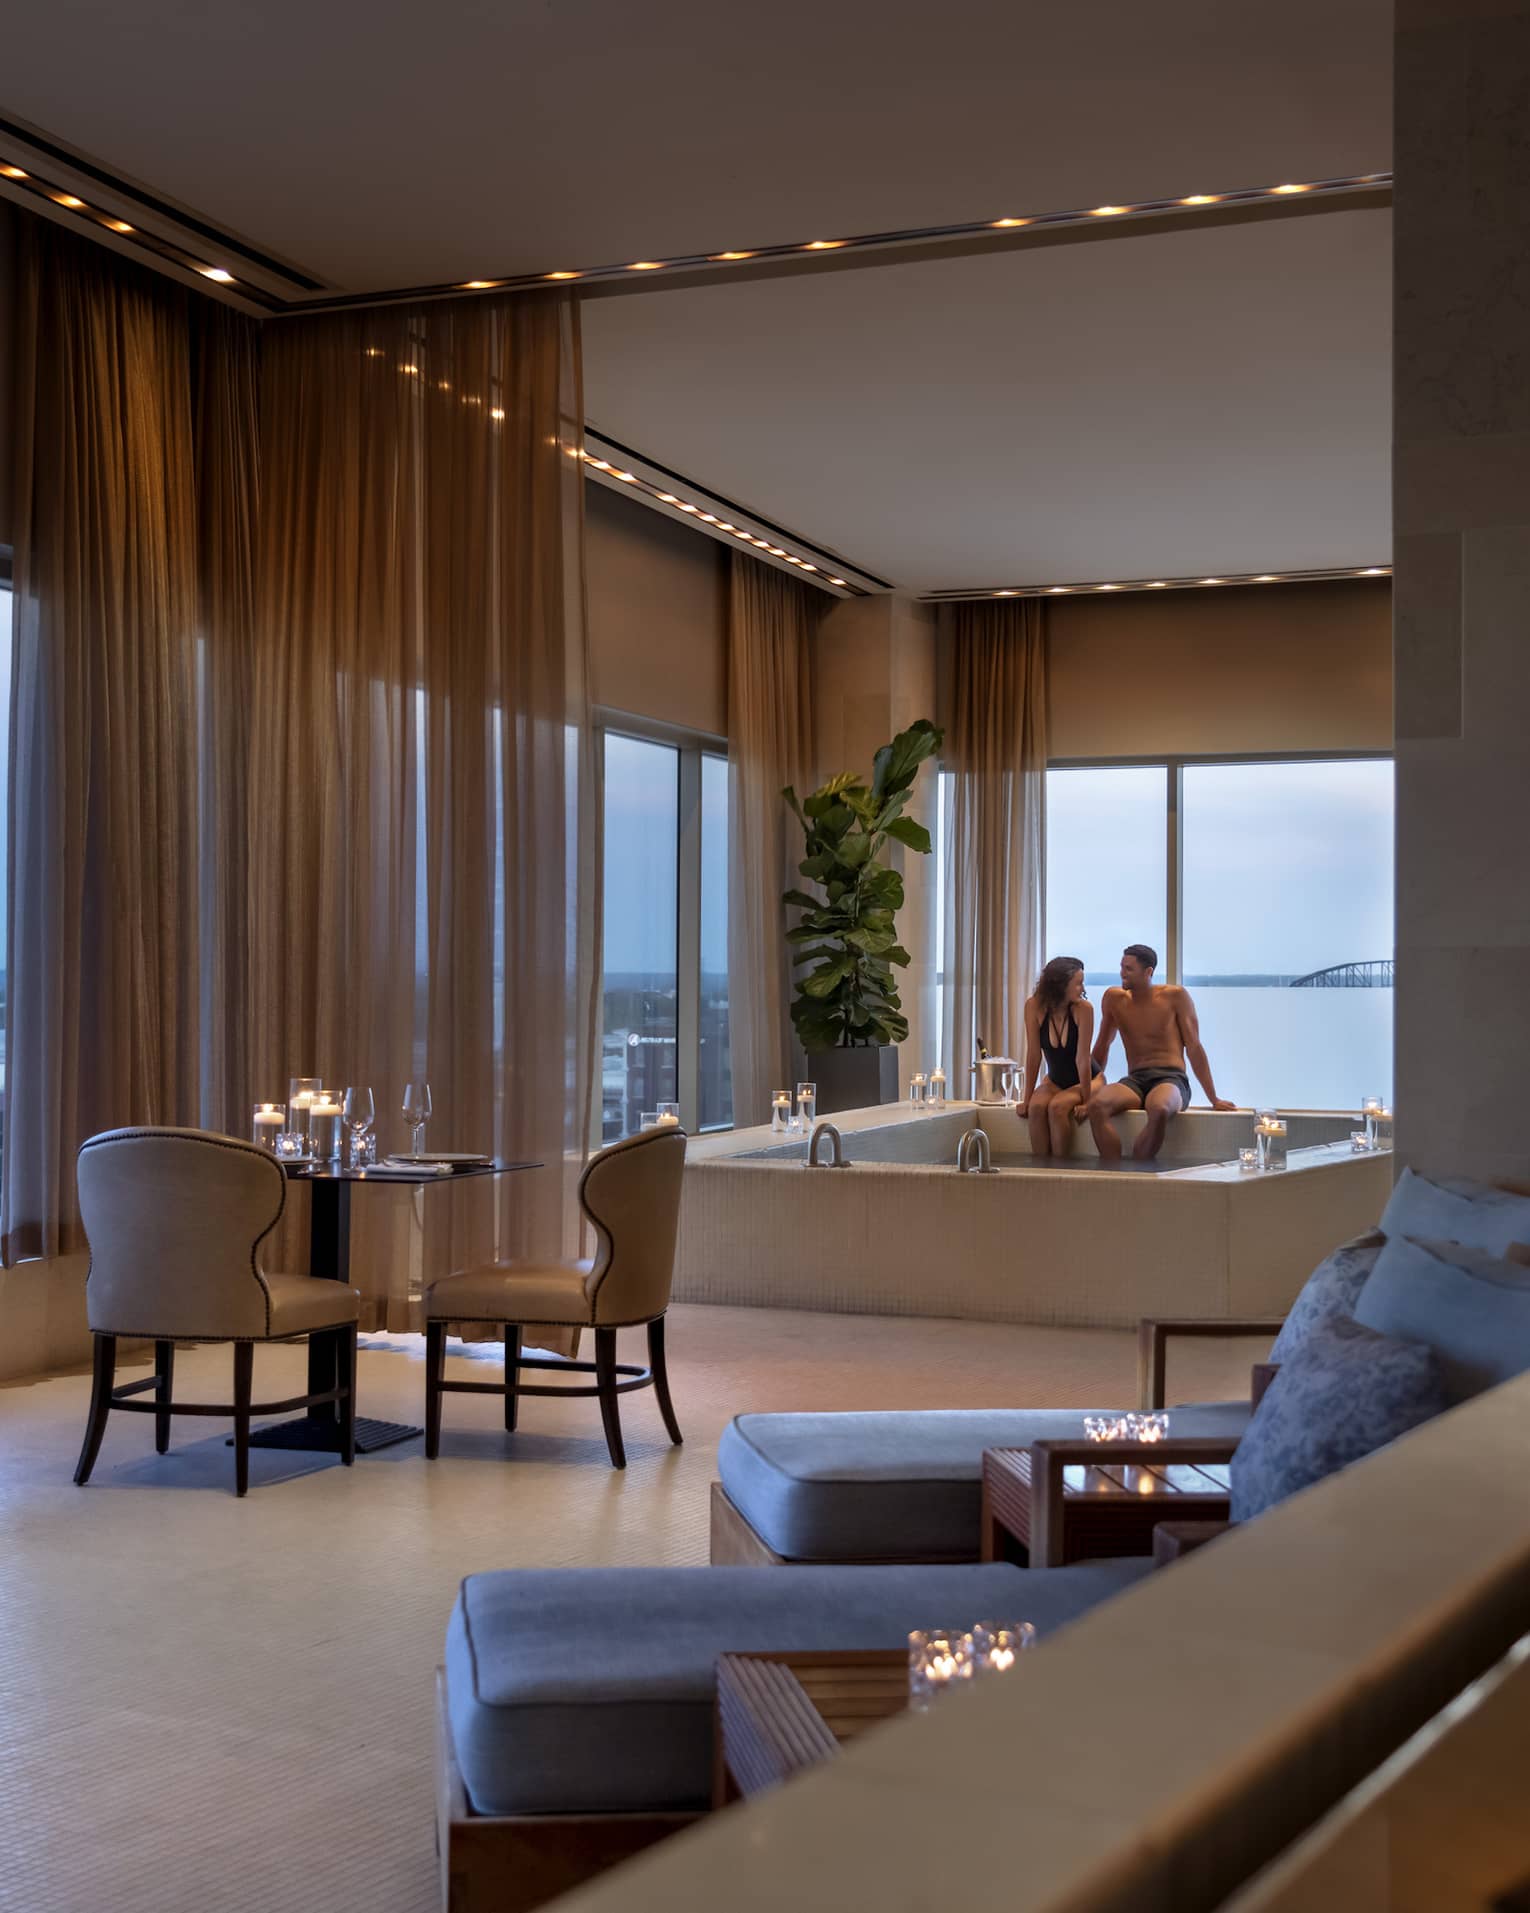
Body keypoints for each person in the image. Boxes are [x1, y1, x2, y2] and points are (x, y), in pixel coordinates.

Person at [1082, 944, 1235, 1161]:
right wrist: (1087, 1091)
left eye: (1128, 968)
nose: (1122, 973)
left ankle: (1139, 1174)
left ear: (1149, 972)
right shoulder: (1113, 999)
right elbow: (1102, 1045)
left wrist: (1213, 1098)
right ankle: (1113, 1174)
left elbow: (1194, 1047)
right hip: (1135, 1080)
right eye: (1122, 967)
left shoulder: (1175, 997)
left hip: (1171, 1079)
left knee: (1159, 1108)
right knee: (1096, 1106)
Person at [1016, 956, 1099, 1158]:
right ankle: (1041, 1175)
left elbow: (1083, 1058)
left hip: (1087, 1080)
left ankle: (1061, 1174)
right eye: (1078, 983)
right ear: (1060, 985)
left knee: (1058, 1107)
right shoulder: (1033, 1006)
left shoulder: (1083, 1009)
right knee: (1036, 1108)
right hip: (1054, 1081)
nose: (1082, 988)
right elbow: (1034, 1055)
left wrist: (1087, 1102)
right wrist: (1026, 1100)